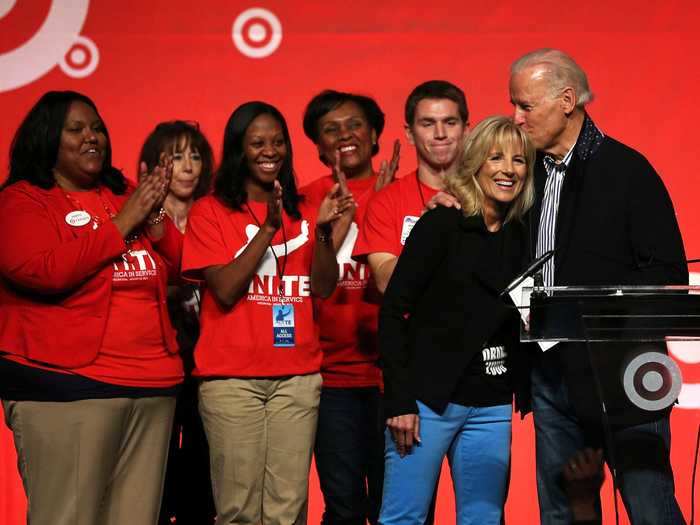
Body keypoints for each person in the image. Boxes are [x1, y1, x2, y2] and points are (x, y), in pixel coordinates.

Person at [509, 48, 687, 524]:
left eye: (526, 106)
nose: (517, 117)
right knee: (562, 513)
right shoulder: (522, 175)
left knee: (650, 508)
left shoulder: (629, 171)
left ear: (567, 100)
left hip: (623, 373)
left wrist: (594, 308)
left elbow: (667, 272)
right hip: (551, 375)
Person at [0, 91, 183, 525]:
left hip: (152, 386)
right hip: (67, 385)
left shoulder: (121, 194)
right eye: (76, 129)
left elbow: (179, 267)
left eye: (97, 127)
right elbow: (41, 271)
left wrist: (153, 215)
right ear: (47, 139)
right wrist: (124, 223)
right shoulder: (21, 201)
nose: (92, 137)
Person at [181, 101, 352, 525]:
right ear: (239, 149)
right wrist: (269, 229)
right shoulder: (210, 212)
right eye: (257, 142)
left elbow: (324, 287)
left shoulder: (308, 211)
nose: (269, 151)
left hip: (296, 378)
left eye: (278, 142)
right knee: (238, 509)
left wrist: (326, 233)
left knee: (288, 509)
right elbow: (224, 289)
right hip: (231, 381)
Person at [377, 116, 535, 525]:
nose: (508, 169)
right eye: (496, 157)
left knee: (483, 518)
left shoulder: (524, 235)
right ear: (476, 163)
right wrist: (399, 399)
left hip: (491, 402)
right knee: (403, 518)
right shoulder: (442, 223)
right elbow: (394, 310)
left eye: (519, 161)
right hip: (426, 401)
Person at [300, 89, 400, 525]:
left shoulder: (403, 195)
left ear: (375, 133)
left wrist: (377, 205)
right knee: (342, 508)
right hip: (329, 379)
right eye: (331, 129)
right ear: (318, 145)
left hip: (391, 381)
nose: (345, 135)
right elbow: (302, 283)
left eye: (355, 124)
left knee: (393, 507)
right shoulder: (300, 201)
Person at [139, 120, 217, 524]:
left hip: (210, 362)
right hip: (156, 361)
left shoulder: (217, 217)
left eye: (196, 156)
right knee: (156, 469)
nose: (188, 166)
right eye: (175, 157)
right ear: (151, 166)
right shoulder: (137, 223)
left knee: (205, 471)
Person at [353, 80, 469, 293]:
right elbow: (385, 283)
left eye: (450, 122)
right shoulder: (385, 201)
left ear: (466, 129)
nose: (440, 133)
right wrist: (427, 231)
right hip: (412, 325)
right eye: (428, 124)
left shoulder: (488, 194)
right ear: (409, 133)